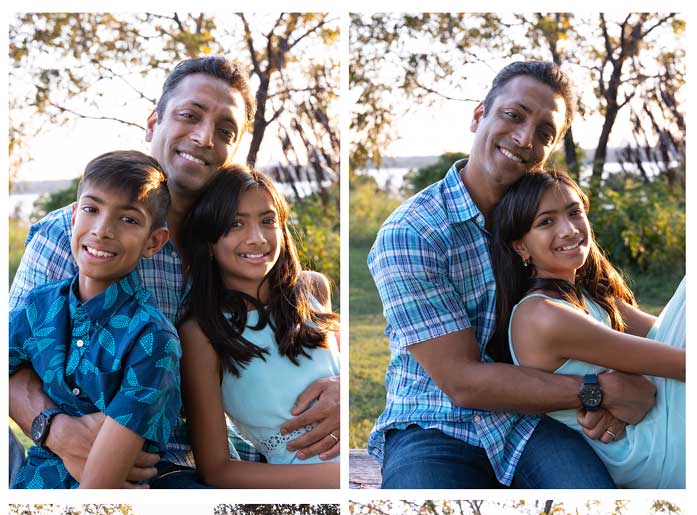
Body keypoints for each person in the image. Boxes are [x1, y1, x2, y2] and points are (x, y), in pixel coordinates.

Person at [9, 55, 340, 488]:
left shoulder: (229, 246)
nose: (205, 138)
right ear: (153, 122)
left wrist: (336, 384)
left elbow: (294, 322)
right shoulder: (74, 234)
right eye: (190, 116)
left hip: (192, 461)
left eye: (225, 131)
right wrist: (59, 432)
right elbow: (11, 356)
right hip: (79, 458)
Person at [366, 61, 656, 488]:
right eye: (514, 115)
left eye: (544, 133)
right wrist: (598, 391)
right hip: (433, 423)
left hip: (536, 419)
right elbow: (463, 383)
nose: (524, 138)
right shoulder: (411, 233)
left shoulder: (551, 218)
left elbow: (610, 312)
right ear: (480, 115)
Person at [490, 169, 685, 488]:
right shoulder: (542, 315)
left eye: (574, 212)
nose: (568, 230)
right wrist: (631, 391)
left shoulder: (587, 295)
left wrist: (633, 392)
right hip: (644, 451)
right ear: (521, 247)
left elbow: (662, 335)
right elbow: (678, 363)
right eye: (546, 222)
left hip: (650, 424)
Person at [10, 151, 181, 490]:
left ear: (154, 242)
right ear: (74, 217)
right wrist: (53, 429)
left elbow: (100, 485)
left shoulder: (153, 339)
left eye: (128, 219)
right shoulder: (38, 306)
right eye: (91, 209)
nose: (102, 230)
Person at [178, 164, 340, 487]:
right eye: (236, 224)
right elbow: (218, 470)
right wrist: (333, 478)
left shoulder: (312, 290)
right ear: (209, 240)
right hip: (311, 482)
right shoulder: (201, 334)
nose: (257, 238)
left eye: (268, 221)